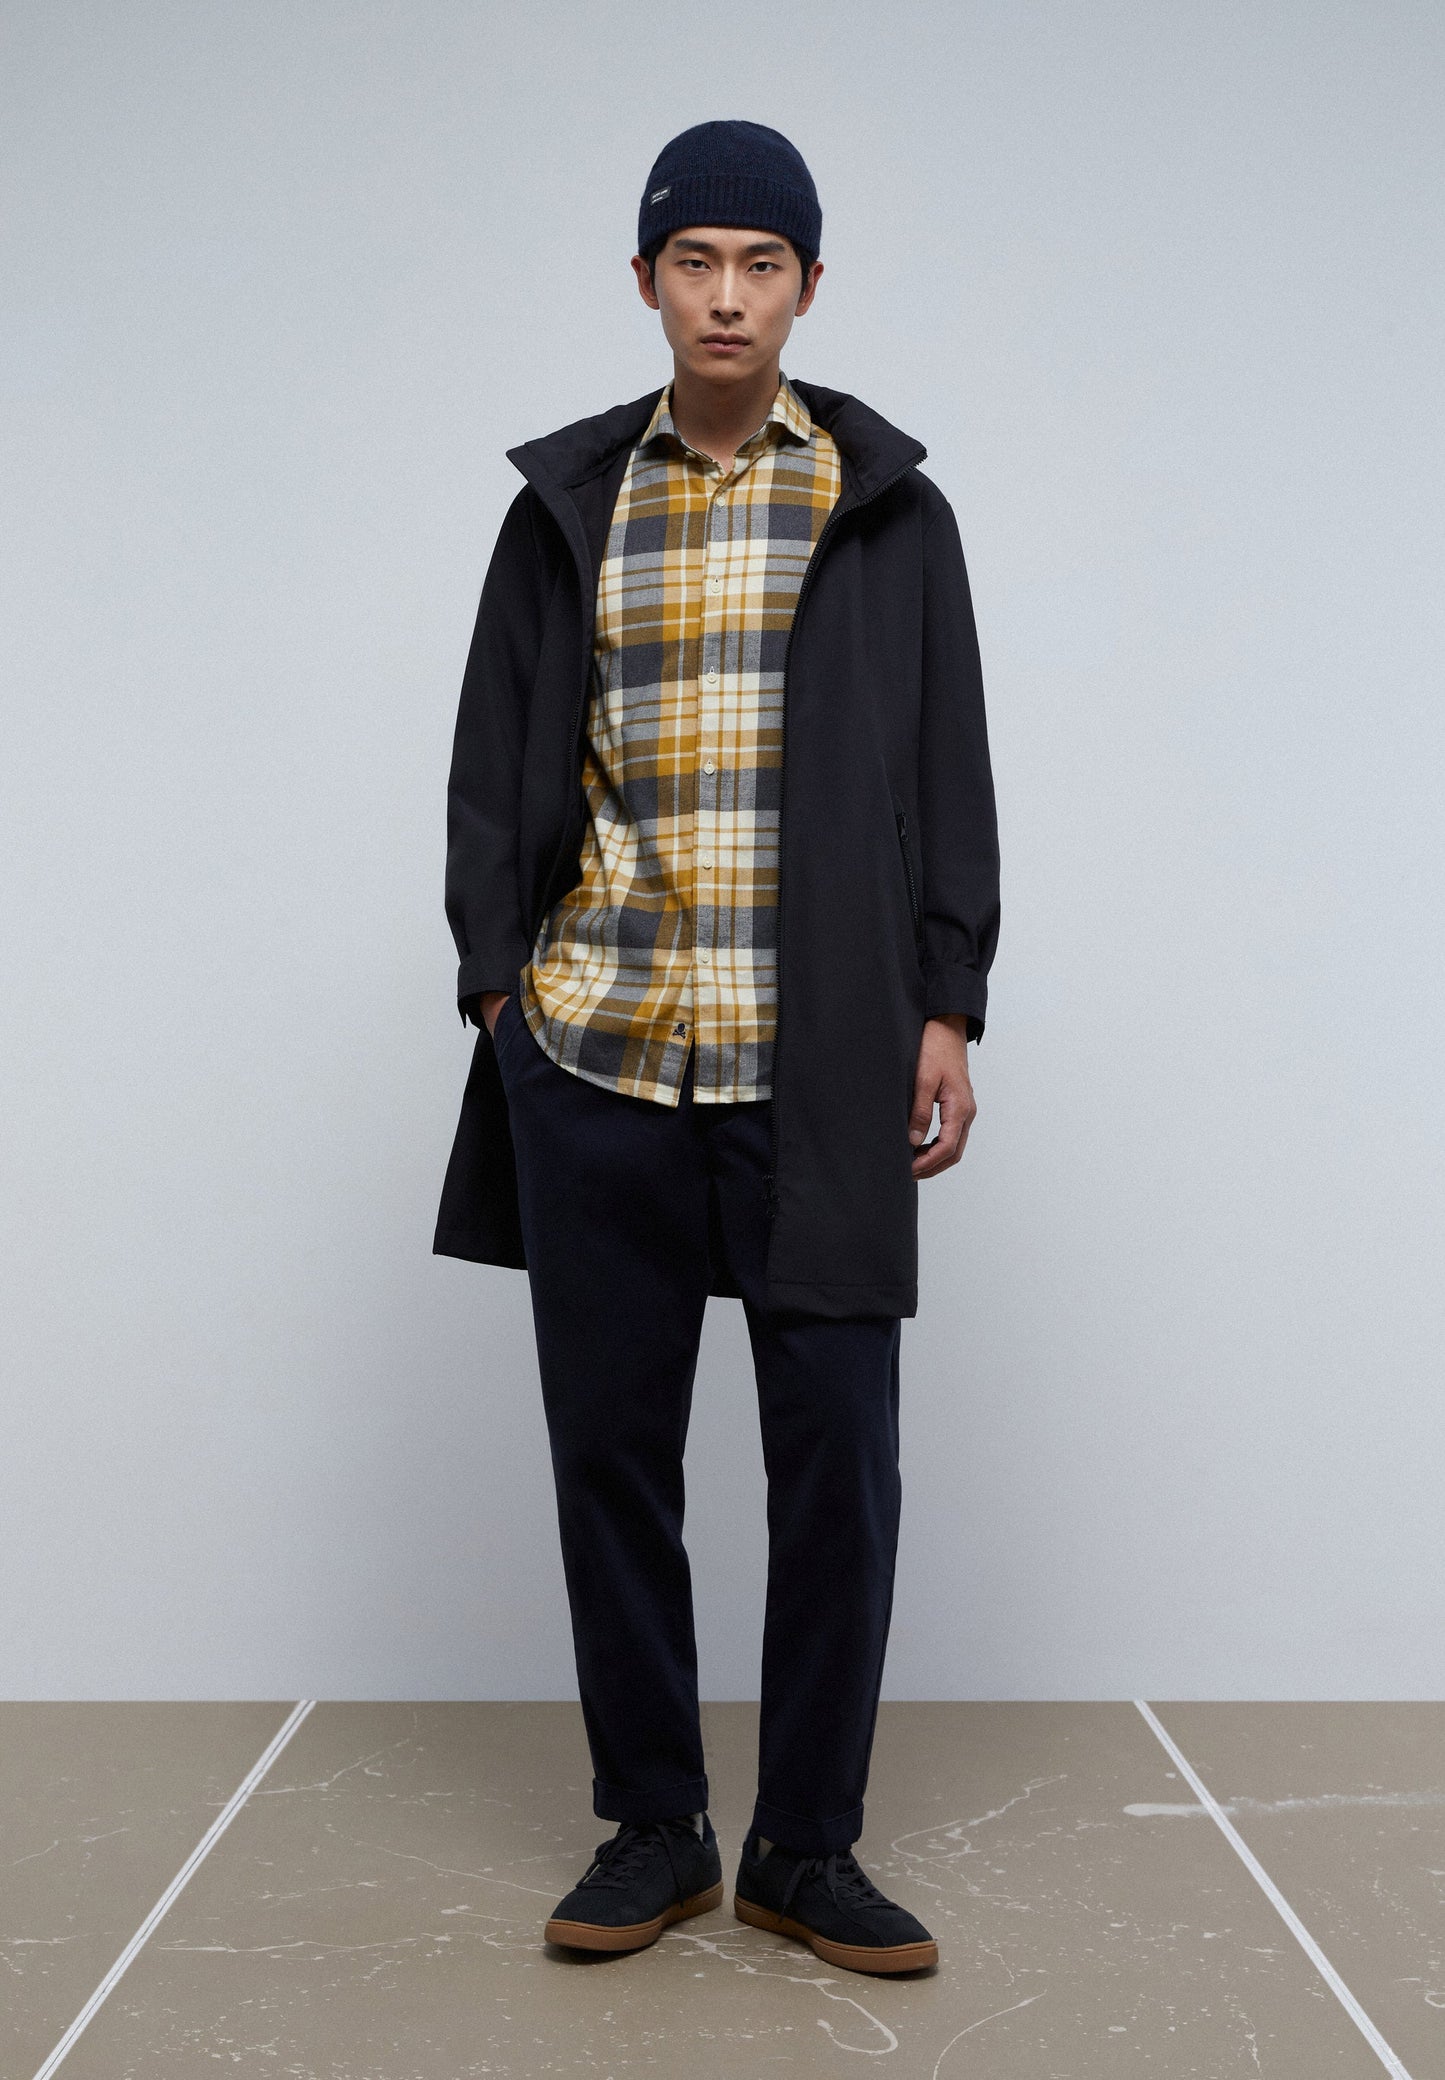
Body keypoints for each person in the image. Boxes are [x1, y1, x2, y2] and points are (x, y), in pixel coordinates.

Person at [433, 119, 1000, 1976]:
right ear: (647, 282)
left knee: (839, 1464)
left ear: (809, 286)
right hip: (597, 1058)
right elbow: (491, 761)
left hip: (815, 1067)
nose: (729, 296)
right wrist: (503, 995)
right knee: (611, 1456)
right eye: (697, 262)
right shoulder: (568, 503)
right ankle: (655, 1828)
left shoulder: (887, 510)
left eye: (763, 264)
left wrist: (945, 1002)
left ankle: (805, 1850)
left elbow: (948, 769)